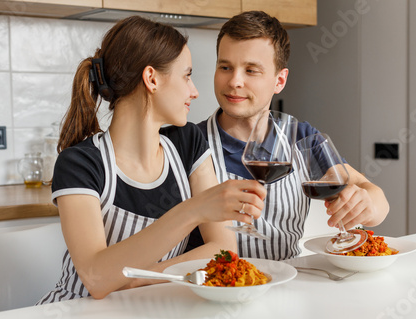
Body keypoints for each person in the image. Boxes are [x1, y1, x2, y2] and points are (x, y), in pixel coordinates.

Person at [37, 16, 267, 303]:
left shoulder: (187, 145)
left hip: (148, 307)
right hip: (76, 314)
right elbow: (96, 278)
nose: (194, 91)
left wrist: (133, 280)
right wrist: (193, 211)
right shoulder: (80, 164)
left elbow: (222, 248)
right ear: (152, 78)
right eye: (186, 75)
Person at [186, 11, 390, 260]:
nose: (234, 81)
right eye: (225, 67)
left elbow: (375, 197)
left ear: (279, 81)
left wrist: (367, 204)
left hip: (290, 283)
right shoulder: (189, 142)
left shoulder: (302, 138)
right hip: (213, 288)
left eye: (251, 70)